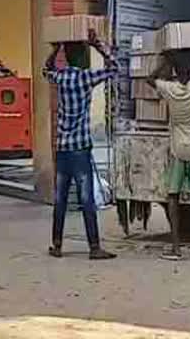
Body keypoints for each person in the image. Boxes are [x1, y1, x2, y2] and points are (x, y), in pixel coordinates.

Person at [44, 29, 118, 260]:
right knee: (86, 199)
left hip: (63, 148)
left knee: (61, 199)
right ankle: (94, 247)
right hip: (81, 149)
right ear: (83, 58)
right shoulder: (86, 78)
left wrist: (56, 48)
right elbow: (114, 68)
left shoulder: (62, 77)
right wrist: (98, 46)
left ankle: (56, 245)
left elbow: (46, 70)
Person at [147, 48, 190, 260]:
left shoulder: (170, 89)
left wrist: (165, 60)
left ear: (175, 70)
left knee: (172, 196)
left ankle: (176, 248)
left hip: (177, 149)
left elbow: (151, 79)